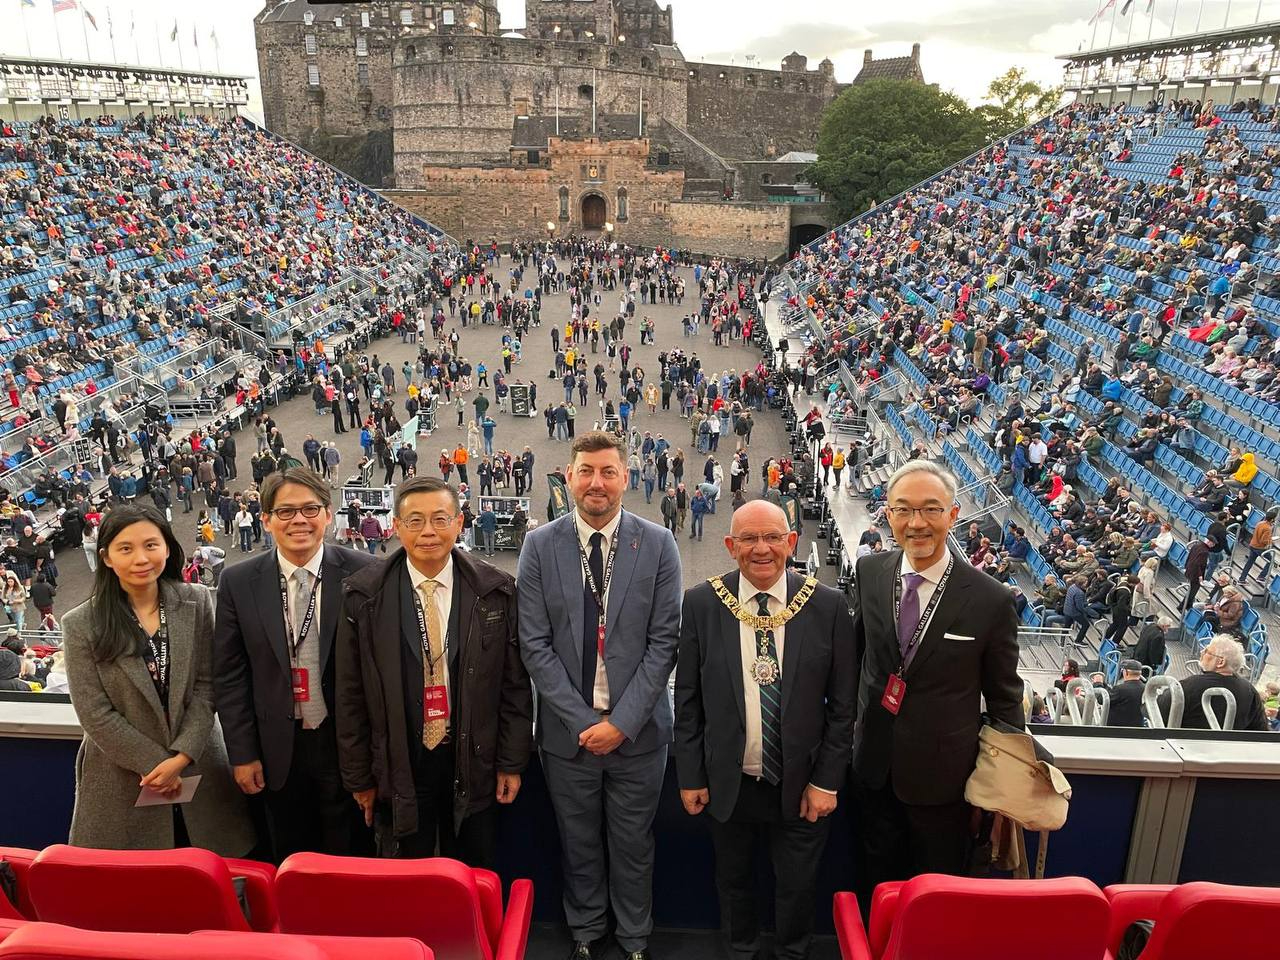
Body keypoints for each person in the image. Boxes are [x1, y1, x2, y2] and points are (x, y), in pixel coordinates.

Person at [517, 431, 682, 960]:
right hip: (570, 738)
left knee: (634, 846)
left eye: (608, 472)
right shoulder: (540, 546)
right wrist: (584, 720)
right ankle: (586, 932)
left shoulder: (658, 543)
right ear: (569, 476)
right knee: (579, 843)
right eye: (586, 471)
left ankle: (634, 938)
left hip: (639, 735)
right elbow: (534, 644)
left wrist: (622, 723)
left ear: (625, 478)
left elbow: (665, 643)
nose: (596, 482)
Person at [674, 501, 856, 960]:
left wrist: (826, 781)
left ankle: (792, 954)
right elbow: (688, 701)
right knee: (733, 883)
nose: (762, 549)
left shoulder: (828, 607)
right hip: (729, 782)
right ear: (730, 546)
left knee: (797, 888)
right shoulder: (701, 603)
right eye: (749, 539)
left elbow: (843, 708)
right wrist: (691, 775)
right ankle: (740, 953)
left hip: (802, 785)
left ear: (791, 542)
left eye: (773, 537)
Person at [847, 461, 1022, 910]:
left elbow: (1005, 700)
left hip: (945, 784)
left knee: (936, 898)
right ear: (888, 515)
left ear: (954, 513)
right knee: (876, 890)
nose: (917, 523)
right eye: (903, 510)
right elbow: (857, 662)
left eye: (930, 509)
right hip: (873, 769)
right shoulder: (870, 572)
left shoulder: (990, 599)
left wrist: (1002, 785)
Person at [336, 477, 533, 866]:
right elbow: (350, 693)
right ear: (396, 527)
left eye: (440, 519)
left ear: (460, 524)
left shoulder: (495, 591)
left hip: (473, 755)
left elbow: (514, 685)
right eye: (415, 521)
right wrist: (359, 777)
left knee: (474, 864)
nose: (428, 531)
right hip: (400, 759)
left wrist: (512, 761)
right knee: (411, 871)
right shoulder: (363, 596)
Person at [60, 504, 254, 854]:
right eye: (125, 548)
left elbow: (208, 685)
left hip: (199, 764)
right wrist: (155, 764)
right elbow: (93, 712)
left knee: (214, 879)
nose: (140, 558)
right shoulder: (80, 624)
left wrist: (180, 757)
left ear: (167, 547)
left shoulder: (195, 601)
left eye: (151, 545)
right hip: (123, 776)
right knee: (135, 892)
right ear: (106, 557)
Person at [213, 468, 375, 861]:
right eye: (285, 511)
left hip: (349, 747)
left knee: (354, 855)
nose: (298, 520)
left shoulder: (367, 572)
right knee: (290, 858)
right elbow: (230, 676)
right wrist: (243, 752)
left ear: (328, 514)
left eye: (309, 509)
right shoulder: (238, 581)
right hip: (276, 751)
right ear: (265, 519)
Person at [1161, 636, 1268, 730]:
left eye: (1207, 651)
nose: (1202, 652)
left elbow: (1158, 709)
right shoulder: (1249, 690)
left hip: (1187, 748)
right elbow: (1260, 729)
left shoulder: (1191, 685)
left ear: (1221, 662)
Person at [1107, 660, 1147, 728]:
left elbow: (1103, 699)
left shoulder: (1120, 689)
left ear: (1126, 672)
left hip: (1116, 729)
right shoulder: (1146, 689)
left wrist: (1098, 684)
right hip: (1138, 728)